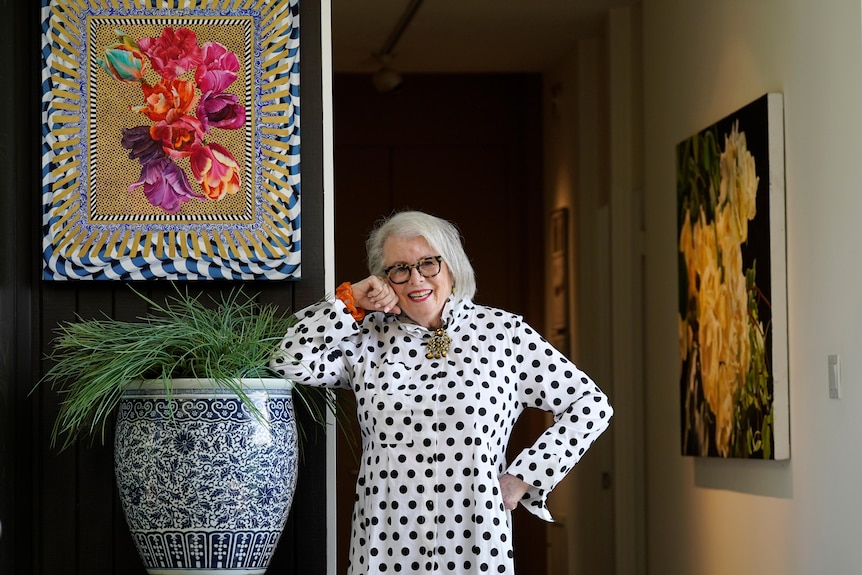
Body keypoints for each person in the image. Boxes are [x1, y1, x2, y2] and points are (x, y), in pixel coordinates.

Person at [271, 210, 613, 575]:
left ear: (451, 266)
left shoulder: (504, 334)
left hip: (474, 537)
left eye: (428, 264)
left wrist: (524, 479)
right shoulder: (363, 338)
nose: (416, 278)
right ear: (385, 280)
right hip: (386, 538)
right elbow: (287, 361)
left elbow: (591, 405)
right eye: (399, 269)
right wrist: (350, 300)